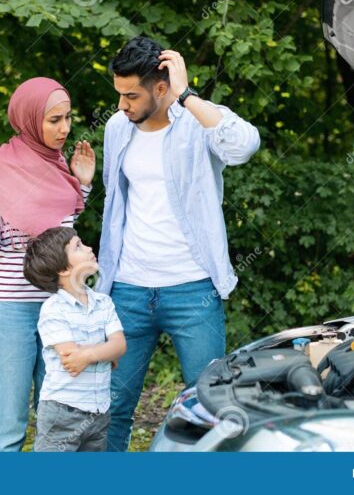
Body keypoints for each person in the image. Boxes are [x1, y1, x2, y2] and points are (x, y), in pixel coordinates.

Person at [96, 36, 261, 451]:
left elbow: (244, 146)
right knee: (113, 404)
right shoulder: (118, 128)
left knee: (210, 404)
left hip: (193, 291)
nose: (122, 105)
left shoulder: (198, 122)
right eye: (119, 95)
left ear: (161, 87)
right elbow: (116, 201)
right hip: (128, 290)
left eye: (131, 95)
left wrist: (187, 96)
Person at [0, 77, 96, 451]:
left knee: (55, 422)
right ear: (28, 118)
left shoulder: (60, 169)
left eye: (68, 118)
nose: (64, 128)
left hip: (59, 309)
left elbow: (61, 240)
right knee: (10, 428)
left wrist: (82, 185)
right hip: (9, 311)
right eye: (54, 120)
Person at [23, 227, 126, 452]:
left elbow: (120, 345)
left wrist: (90, 354)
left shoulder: (103, 303)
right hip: (62, 414)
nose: (89, 248)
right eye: (78, 246)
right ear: (63, 268)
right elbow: (71, 359)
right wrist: (104, 353)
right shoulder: (54, 309)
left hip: (99, 412)